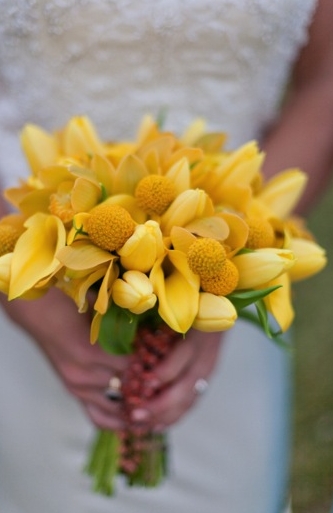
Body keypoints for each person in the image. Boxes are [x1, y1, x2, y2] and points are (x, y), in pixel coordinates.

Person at [0, 1, 332, 512]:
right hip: (25, 261)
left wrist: (231, 261)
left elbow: (325, 81)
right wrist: (29, 301)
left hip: (225, 270)